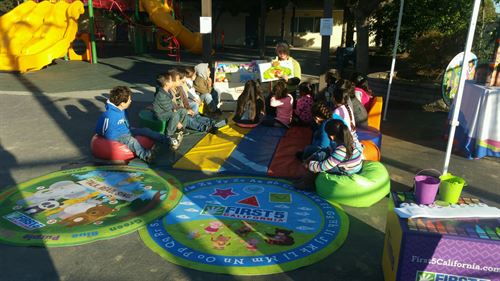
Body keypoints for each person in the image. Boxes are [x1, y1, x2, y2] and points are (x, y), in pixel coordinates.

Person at [95, 86, 178, 163]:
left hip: (127, 130)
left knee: (146, 131)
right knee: (132, 141)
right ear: (122, 103)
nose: (131, 101)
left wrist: (129, 128)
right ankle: (147, 155)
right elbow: (100, 128)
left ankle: (167, 140)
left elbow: (125, 122)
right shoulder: (109, 115)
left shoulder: (122, 109)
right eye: (129, 99)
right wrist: (105, 137)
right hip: (118, 136)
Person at [295, 119, 363, 191]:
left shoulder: (341, 150)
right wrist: (313, 156)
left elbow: (323, 166)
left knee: (320, 158)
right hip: (349, 164)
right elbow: (328, 149)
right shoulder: (351, 138)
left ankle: (308, 183)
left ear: (331, 136)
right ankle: (306, 158)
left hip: (346, 171)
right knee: (316, 152)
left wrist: (310, 165)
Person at [152, 70, 186, 144]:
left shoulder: (167, 91)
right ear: (167, 83)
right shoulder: (161, 95)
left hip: (167, 111)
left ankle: (180, 130)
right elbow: (167, 109)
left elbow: (171, 104)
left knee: (183, 111)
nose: (172, 82)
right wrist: (177, 122)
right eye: (171, 81)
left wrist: (177, 108)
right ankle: (169, 135)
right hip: (160, 114)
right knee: (174, 115)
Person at [332, 79, 362, 150]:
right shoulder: (348, 107)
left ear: (333, 98)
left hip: (346, 143)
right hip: (354, 141)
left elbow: (333, 131)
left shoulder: (336, 112)